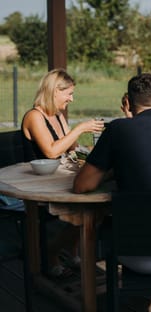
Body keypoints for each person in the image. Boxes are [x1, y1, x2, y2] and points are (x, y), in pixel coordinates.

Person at [73, 73, 151, 312]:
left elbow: (82, 185)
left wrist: (113, 169)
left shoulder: (118, 130)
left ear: (128, 104)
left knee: (102, 225)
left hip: (137, 256)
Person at [21, 68, 104, 279]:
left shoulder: (57, 115)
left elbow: (70, 149)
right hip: (38, 185)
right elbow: (51, 151)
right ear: (55, 91)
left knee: (95, 205)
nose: (72, 99)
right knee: (86, 209)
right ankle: (52, 253)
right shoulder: (34, 116)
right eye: (69, 93)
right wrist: (79, 129)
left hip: (58, 178)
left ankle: (71, 251)